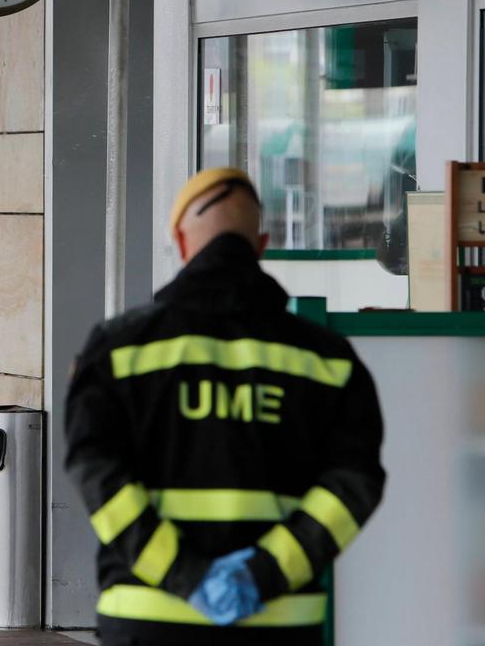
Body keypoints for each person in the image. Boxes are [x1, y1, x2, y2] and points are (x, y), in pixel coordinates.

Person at [65, 167, 386, 646]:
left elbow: (97, 473)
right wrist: (265, 573)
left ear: (180, 241)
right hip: (277, 624)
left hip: (148, 617)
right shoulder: (326, 360)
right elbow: (352, 486)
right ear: (261, 245)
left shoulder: (120, 350)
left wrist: (184, 575)